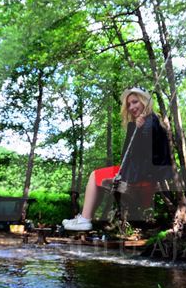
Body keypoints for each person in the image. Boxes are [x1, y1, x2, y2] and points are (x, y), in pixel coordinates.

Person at [62, 87, 174, 231]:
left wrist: (139, 129)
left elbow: (145, 152)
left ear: (144, 102)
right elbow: (130, 154)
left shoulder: (149, 122)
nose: (131, 107)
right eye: (129, 104)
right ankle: (85, 217)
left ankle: (85, 219)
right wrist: (136, 128)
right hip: (136, 171)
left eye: (135, 102)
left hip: (141, 176)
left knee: (95, 175)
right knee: (99, 179)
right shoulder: (144, 122)